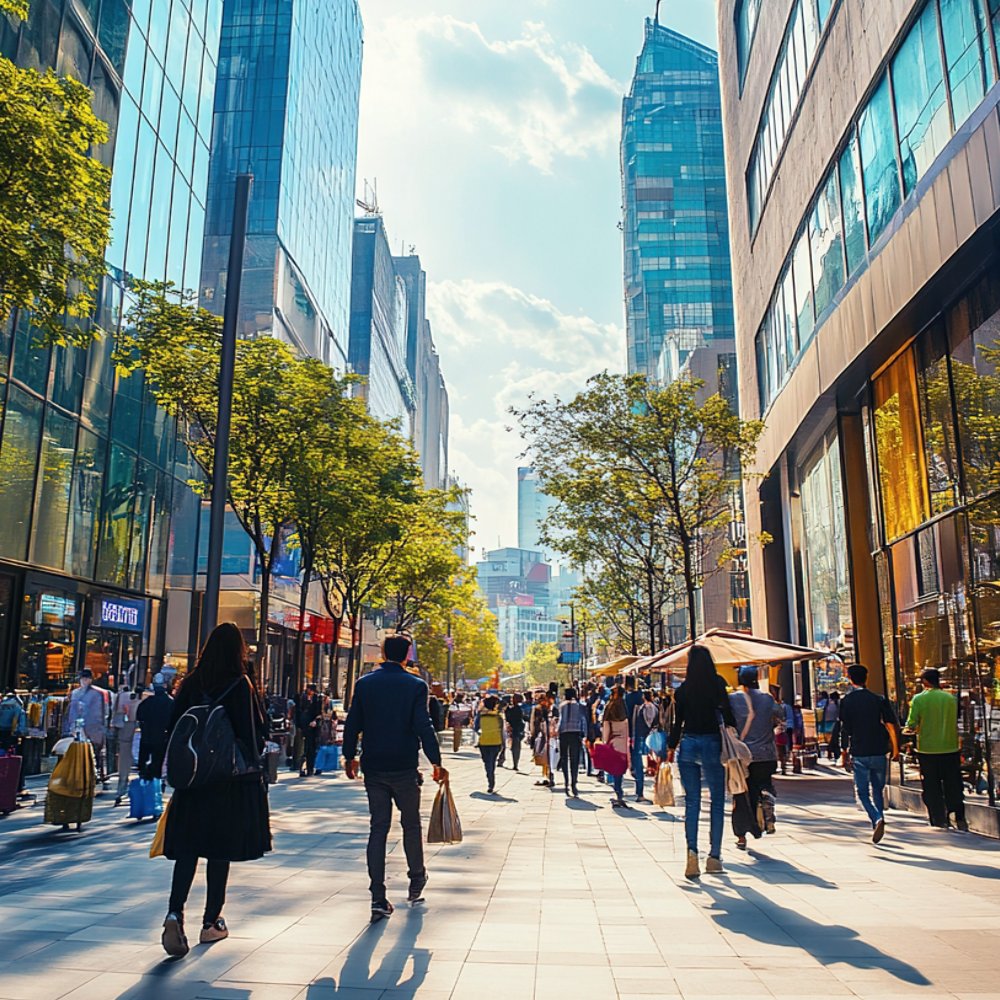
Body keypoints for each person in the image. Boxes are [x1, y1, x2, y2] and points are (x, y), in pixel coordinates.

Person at [161, 623, 271, 958]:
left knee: (188, 850)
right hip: (228, 782)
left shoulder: (192, 682)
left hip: (192, 783)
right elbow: (254, 733)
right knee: (219, 852)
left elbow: (173, 727)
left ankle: (175, 912)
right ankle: (211, 922)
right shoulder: (240, 684)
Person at [343, 635, 447, 922]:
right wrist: (436, 761)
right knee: (410, 824)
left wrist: (349, 755)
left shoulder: (365, 684)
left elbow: (354, 722)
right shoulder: (415, 685)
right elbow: (423, 726)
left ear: (383, 652)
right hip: (404, 765)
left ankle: (378, 896)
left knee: (378, 828)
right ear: (406, 655)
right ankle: (416, 878)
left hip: (374, 766)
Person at [668, 646, 735, 880]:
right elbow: (728, 716)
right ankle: (714, 857)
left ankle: (692, 855)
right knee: (717, 800)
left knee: (692, 802)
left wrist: (671, 746)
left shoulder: (683, 690)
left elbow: (678, 722)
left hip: (688, 743)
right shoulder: (717, 684)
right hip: (712, 743)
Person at [838, 663, 900, 843]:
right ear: (867, 678)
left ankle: (876, 818)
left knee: (863, 792)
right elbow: (890, 725)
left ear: (850, 679)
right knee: (877, 790)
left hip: (860, 751)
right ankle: (879, 817)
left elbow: (845, 729)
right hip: (880, 750)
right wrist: (895, 748)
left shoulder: (847, 701)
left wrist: (844, 752)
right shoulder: (879, 699)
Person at [729, 666, 784, 849]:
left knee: (741, 795)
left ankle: (742, 835)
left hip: (742, 755)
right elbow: (780, 715)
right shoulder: (767, 698)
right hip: (766, 753)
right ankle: (766, 796)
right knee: (762, 783)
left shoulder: (733, 699)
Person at [906, 668, 967, 831]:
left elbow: (911, 723)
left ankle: (938, 818)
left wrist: (908, 730)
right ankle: (958, 814)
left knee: (932, 786)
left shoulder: (918, 699)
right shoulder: (950, 698)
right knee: (952, 783)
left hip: (928, 750)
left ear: (925, 681)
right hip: (950, 747)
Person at [64, 669, 108, 778]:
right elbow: (72, 711)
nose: (84, 681)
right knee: (80, 748)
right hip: (79, 725)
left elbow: (100, 711)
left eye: (86, 679)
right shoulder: (75, 693)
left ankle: (97, 771)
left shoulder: (97, 693)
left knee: (95, 749)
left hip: (93, 725)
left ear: (90, 680)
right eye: (82, 679)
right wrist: (71, 725)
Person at [136, 674, 174, 783]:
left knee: (144, 760)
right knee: (158, 761)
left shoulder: (147, 702)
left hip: (147, 736)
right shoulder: (170, 703)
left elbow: (139, 716)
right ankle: (156, 782)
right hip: (162, 737)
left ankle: (145, 779)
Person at [112, 684, 141, 806]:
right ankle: (140, 790)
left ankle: (121, 790)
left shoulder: (121, 697)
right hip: (140, 731)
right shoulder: (144, 698)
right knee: (142, 762)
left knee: (124, 763)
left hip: (125, 730)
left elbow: (116, 716)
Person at [601, 684, 629, 808]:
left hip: (613, 740)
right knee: (620, 768)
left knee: (615, 768)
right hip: (623, 741)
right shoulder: (624, 706)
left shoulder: (610, 707)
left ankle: (618, 792)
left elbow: (606, 727)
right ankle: (619, 792)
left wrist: (605, 742)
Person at [630, 689, 658, 804]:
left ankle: (640, 791)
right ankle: (640, 791)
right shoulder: (653, 707)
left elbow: (648, 722)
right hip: (647, 739)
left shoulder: (646, 707)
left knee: (639, 765)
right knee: (642, 765)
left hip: (642, 739)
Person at [558, 687, 587, 797]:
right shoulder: (579, 706)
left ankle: (566, 782)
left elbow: (561, 720)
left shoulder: (562, 705)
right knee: (574, 759)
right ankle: (574, 783)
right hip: (575, 733)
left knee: (564, 758)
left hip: (564, 733)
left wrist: (558, 731)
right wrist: (584, 733)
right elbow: (582, 721)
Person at [475, 695, 503, 793]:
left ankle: (490, 780)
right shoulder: (498, 716)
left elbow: (475, 728)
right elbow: (502, 731)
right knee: (492, 761)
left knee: (487, 762)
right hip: (496, 741)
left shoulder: (480, 715)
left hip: (484, 742)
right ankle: (491, 781)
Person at [295, 684, 322, 777]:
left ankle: (310, 768)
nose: (308, 691)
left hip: (313, 728)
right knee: (302, 748)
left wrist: (315, 721)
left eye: (310, 690)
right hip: (303, 726)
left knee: (311, 747)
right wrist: (298, 724)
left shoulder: (318, 699)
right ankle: (301, 768)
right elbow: (298, 711)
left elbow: (320, 713)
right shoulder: (301, 698)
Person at [529, 691, 554, 788]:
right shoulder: (549, 709)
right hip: (546, 735)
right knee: (546, 756)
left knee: (544, 755)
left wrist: (533, 735)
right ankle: (547, 775)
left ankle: (547, 776)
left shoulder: (538, 709)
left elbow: (533, 723)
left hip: (542, 735)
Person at [504, 693, 525, 771]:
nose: (512, 699)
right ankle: (515, 763)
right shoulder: (512, 708)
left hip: (516, 729)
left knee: (515, 747)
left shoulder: (516, 708)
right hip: (514, 729)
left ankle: (515, 763)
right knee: (515, 747)